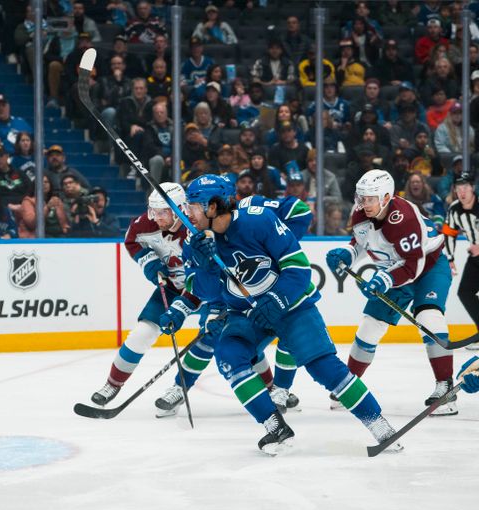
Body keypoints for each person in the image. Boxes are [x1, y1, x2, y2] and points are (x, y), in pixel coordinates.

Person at [177, 174, 400, 454]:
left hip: (291, 304)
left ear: (212, 207)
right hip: (246, 313)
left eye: (193, 205)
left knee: (324, 368)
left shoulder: (258, 220)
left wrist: (275, 300)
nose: (187, 212)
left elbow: (298, 268)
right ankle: (275, 427)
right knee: (229, 355)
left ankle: (379, 424)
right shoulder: (193, 242)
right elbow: (206, 292)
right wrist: (206, 262)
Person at [156, 186, 313, 417]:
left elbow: (300, 211)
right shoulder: (195, 236)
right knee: (215, 337)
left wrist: (278, 241)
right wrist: (179, 311)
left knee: (288, 330)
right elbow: (198, 287)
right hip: (227, 296)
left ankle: (279, 389)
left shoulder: (253, 212)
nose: (189, 213)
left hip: (269, 286)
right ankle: (180, 388)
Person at [326, 169, 456, 416]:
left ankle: (446, 387)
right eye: (361, 197)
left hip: (429, 267)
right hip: (395, 272)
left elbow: (413, 265)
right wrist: (348, 254)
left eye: (370, 198)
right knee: (369, 325)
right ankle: (349, 387)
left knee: (428, 316)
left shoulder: (404, 218)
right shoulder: (361, 212)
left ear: (386, 197)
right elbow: (361, 241)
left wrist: (384, 278)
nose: (364, 203)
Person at [89, 183, 189, 406]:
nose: (156, 217)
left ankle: (271, 387)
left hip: (206, 290)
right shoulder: (145, 223)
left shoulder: (197, 226)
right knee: (142, 333)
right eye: (153, 210)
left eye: (162, 211)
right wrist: (150, 263)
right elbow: (132, 241)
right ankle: (113, 384)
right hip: (172, 287)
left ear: (180, 208)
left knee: (229, 338)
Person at [442, 173, 479, 350]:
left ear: (473, 188)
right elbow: (449, 234)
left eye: (465, 187)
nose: (462, 192)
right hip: (476, 258)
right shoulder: (455, 209)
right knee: (465, 292)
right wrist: (450, 258)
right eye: (458, 188)